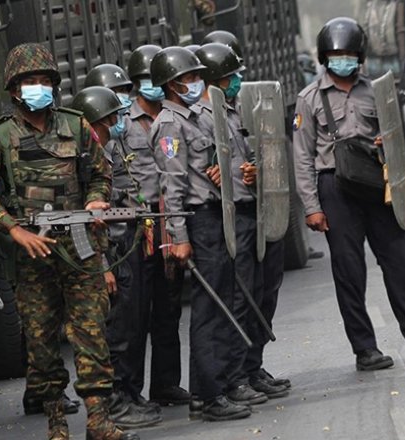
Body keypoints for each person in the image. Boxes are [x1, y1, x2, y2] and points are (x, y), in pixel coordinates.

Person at [0, 43, 138, 440]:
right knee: (41, 342)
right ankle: (57, 421)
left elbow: (101, 173)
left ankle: (98, 419)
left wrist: (95, 200)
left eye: (44, 80)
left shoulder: (76, 126)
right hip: (33, 256)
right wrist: (15, 231)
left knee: (91, 333)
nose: (38, 87)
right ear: (14, 89)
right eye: (30, 81)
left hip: (80, 247)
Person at [292, 17, 405, 372]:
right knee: (349, 272)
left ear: (360, 56)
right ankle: (365, 349)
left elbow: (400, 138)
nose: (342, 60)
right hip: (335, 188)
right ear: (324, 57)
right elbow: (301, 157)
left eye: (349, 54)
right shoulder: (309, 99)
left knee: (402, 262)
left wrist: (387, 141)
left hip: (378, 184)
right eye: (336, 55)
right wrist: (312, 207)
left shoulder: (379, 91)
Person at [149, 46, 251, 422]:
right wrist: (179, 237)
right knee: (209, 311)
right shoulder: (169, 125)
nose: (197, 83)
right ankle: (208, 396)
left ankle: (214, 388)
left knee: (222, 302)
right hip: (198, 221)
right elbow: (171, 187)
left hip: (214, 214)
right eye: (190, 78)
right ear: (172, 84)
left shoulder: (198, 117)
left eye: (197, 76)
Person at [201, 32, 293, 399]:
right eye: (230, 75)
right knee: (240, 301)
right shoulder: (205, 115)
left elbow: (259, 152)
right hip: (232, 216)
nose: (237, 80)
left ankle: (253, 367)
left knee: (263, 294)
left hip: (258, 210)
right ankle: (236, 374)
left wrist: (255, 170)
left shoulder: (242, 107)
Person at [71, 85, 163, 430]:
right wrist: (100, 266)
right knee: (114, 334)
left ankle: (126, 393)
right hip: (104, 254)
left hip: (122, 245)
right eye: (110, 120)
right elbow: (78, 220)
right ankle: (112, 403)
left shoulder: (108, 150)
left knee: (131, 325)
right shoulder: (82, 160)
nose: (116, 125)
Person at [122, 45, 190, 408]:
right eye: (145, 79)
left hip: (169, 219)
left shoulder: (175, 117)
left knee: (169, 307)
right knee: (135, 313)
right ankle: (130, 390)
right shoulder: (122, 122)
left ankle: (166, 383)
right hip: (137, 224)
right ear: (135, 83)